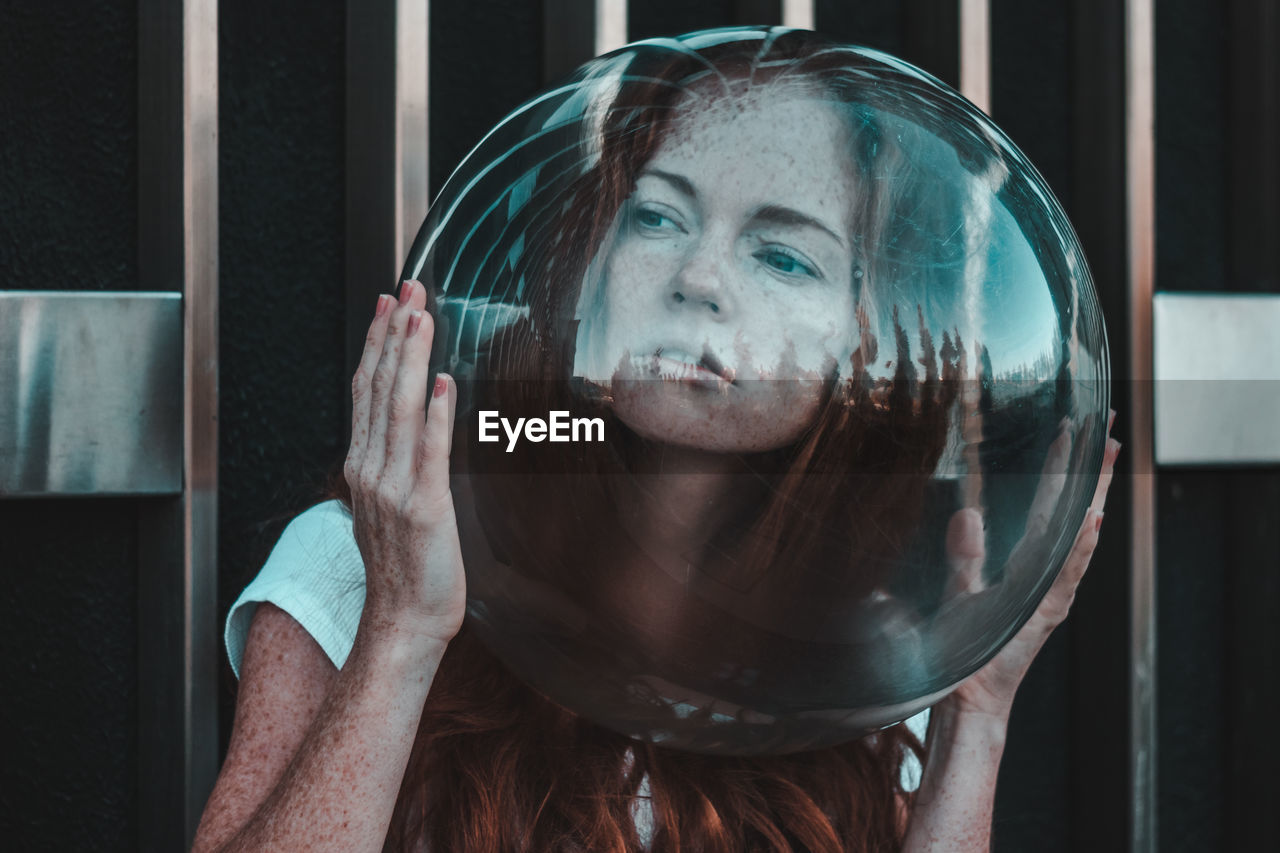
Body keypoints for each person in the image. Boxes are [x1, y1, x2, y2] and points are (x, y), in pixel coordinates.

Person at [194, 30, 1120, 852]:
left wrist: (978, 709)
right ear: (596, 259)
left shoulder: (862, 645)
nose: (699, 276)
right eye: (659, 216)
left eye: (783, 254)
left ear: (865, 337)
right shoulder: (368, 557)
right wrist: (401, 628)